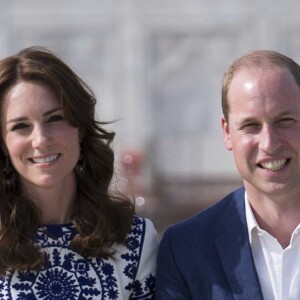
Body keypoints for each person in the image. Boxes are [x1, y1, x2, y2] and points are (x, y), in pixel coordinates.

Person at [0, 46, 158, 299]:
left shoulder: (134, 239)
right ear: (3, 144)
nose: (40, 140)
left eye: (54, 119)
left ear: (80, 128)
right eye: (21, 126)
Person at [156, 49, 300, 299]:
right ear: (226, 132)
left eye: (284, 120)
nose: (269, 143)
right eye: (250, 125)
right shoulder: (185, 249)